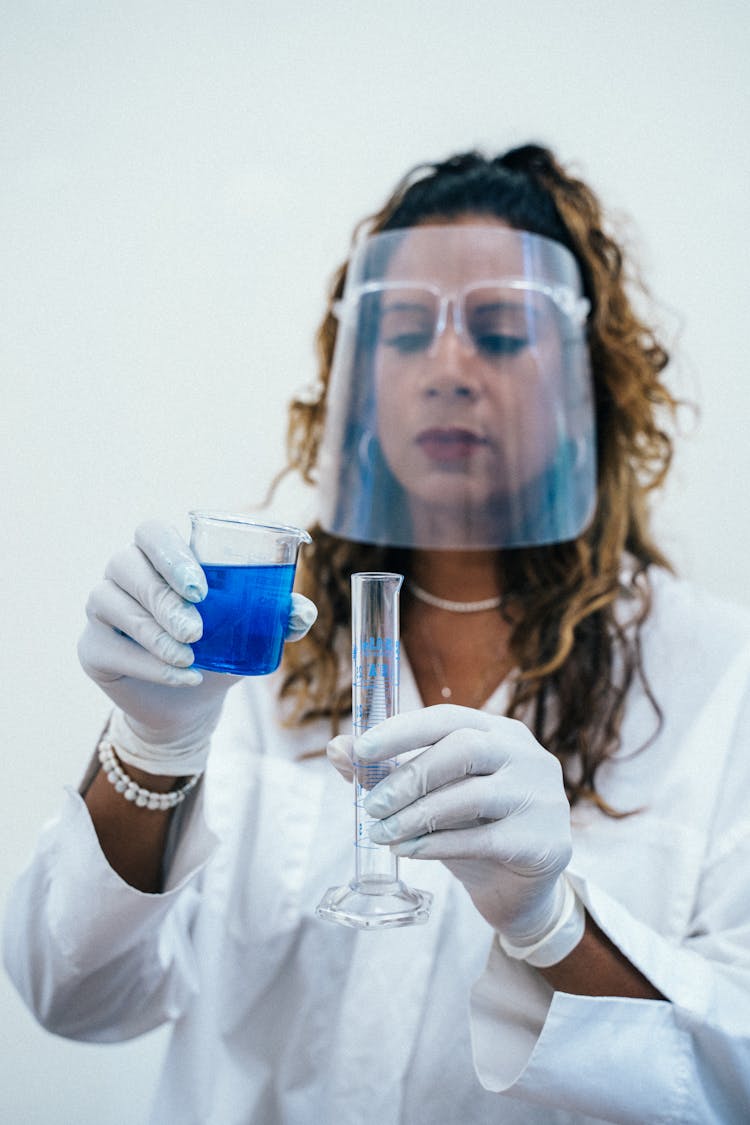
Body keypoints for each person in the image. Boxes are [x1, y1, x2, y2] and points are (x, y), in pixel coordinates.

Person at [4, 144, 750, 1124]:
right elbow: (72, 993)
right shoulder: (253, 639)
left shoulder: (716, 678)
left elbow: (730, 1084)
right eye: (404, 332)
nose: (447, 367)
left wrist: (550, 923)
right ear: (356, 385)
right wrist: (151, 745)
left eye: (501, 328)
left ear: (587, 387)